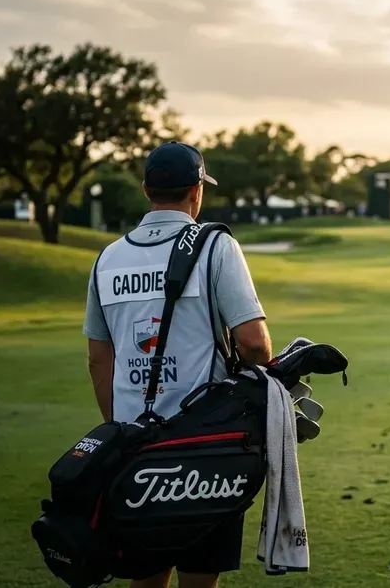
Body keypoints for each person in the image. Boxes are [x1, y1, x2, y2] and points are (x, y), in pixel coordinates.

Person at [81, 141, 273, 588]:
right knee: (198, 577)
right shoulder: (215, 245)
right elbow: (253, 343)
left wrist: (118, 428)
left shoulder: (107, 258)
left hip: (135, 445)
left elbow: (98, 357)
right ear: (196, 191)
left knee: (145, 576)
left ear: (147, 188)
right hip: (208, 444)